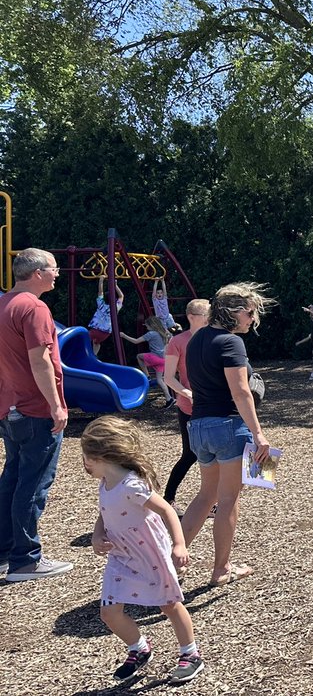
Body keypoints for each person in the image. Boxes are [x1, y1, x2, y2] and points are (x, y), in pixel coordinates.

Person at [81, 416, 204, 684]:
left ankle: (190, 653)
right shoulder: (106, 483)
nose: (84, 464)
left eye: (86, 457)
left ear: (102, 455)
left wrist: (179, 544)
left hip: (149, 554)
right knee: (109, 612)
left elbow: (167, 510)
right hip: (121, 556)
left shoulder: (131, 485)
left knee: (168, 605)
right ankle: (138, 647)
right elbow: (104, 513)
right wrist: (97, 535)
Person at [179, 282, 275, 587]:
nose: (252, 319)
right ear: (233, 312)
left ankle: (171, 561)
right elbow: (240, 392)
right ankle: (222, 569)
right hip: (228, 427)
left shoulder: (196, 340)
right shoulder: (231, 343)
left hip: (198, 427)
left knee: (206, 496)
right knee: (229, 499)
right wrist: (259, 434)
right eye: (249, 312)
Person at [0, 248, 73, 582]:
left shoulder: (3, 305)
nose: (57, 274)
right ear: (38, 272)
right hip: (35, 408)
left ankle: (5, 553)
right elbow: (40, 360)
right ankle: (26, 559)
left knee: (12, 479)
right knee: (32, 483)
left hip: (10, 407)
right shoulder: (34, 307)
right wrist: (55, 404)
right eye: (54, 269)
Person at [162, 299, 210, 509]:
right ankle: (168, 498)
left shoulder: (216, 338)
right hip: (190, 407)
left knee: (216, 454)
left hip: (215, 406)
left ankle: (213, 501)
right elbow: (168, 377)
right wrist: (187, 393)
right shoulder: (177, 342)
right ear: (191, 317)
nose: (210, 319)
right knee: (190, 454)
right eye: (206, 315)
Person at [120, 316, 171, 403]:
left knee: (139, 356)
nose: (146, 327)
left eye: (147, 326)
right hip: (164, 360)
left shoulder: (151, 334)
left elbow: (136, 341)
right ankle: (169, 398)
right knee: (159, 380)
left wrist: (124, 336)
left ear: (152, 325)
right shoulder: (165, 333)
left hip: (155, 357)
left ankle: (147, 376)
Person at [87, 277, 124, 355]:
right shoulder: (116, 307)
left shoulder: (101, 304)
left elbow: (100, 292)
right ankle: (94, 356)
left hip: (95, 330)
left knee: (83, 339)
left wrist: (101, 280)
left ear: (105, 299)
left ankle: (85, 354)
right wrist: (115, 285)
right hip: (106, 333)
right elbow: (121, 296)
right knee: (96, 343)